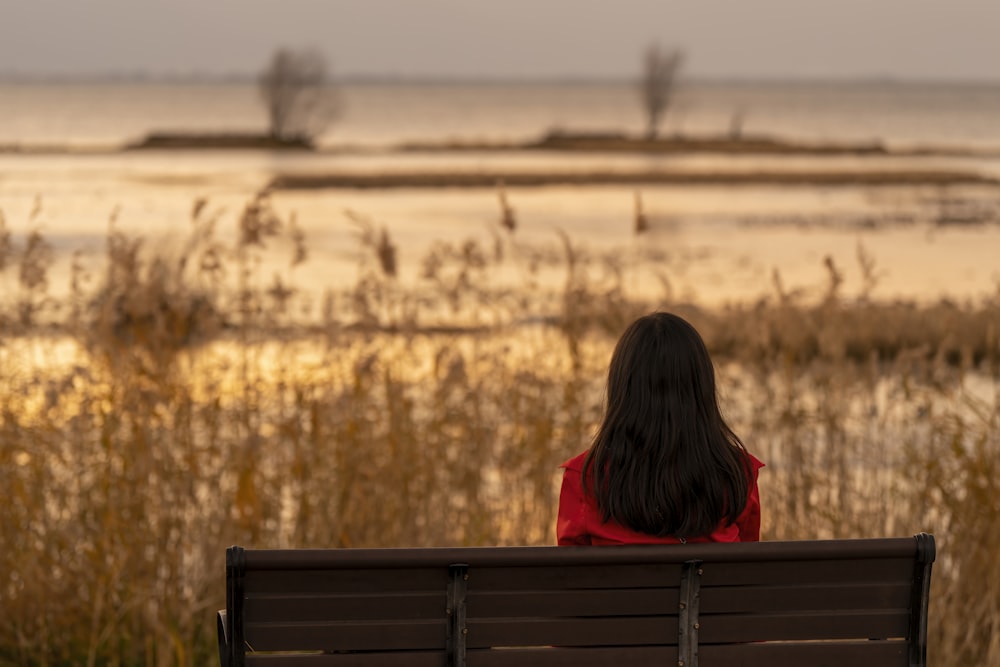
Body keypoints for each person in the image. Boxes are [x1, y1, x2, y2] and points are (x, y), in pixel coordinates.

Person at [557, 311, 763, 545]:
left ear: (622, 389)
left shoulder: (585, 479)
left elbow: (570, 576)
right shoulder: (738, 474)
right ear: (701, 389)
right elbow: (746, 566)